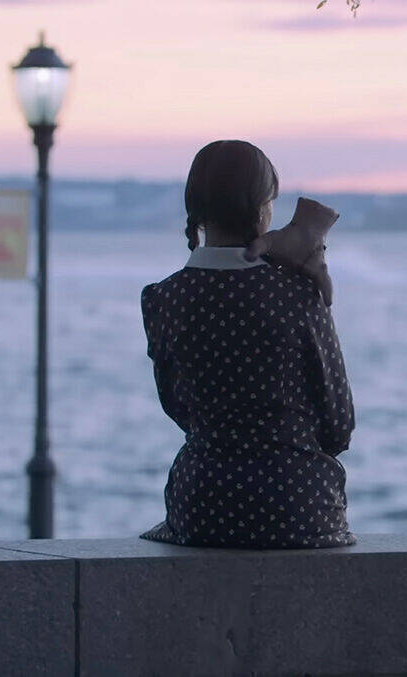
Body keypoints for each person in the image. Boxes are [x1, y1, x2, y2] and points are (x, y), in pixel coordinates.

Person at [137, 139, 356, 548]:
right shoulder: (296, 293)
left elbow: (177, 406)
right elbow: (339, 425)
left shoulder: (162, 298)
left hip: (203, 507)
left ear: (197, 213)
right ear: (261, 209)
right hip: (300, 507)